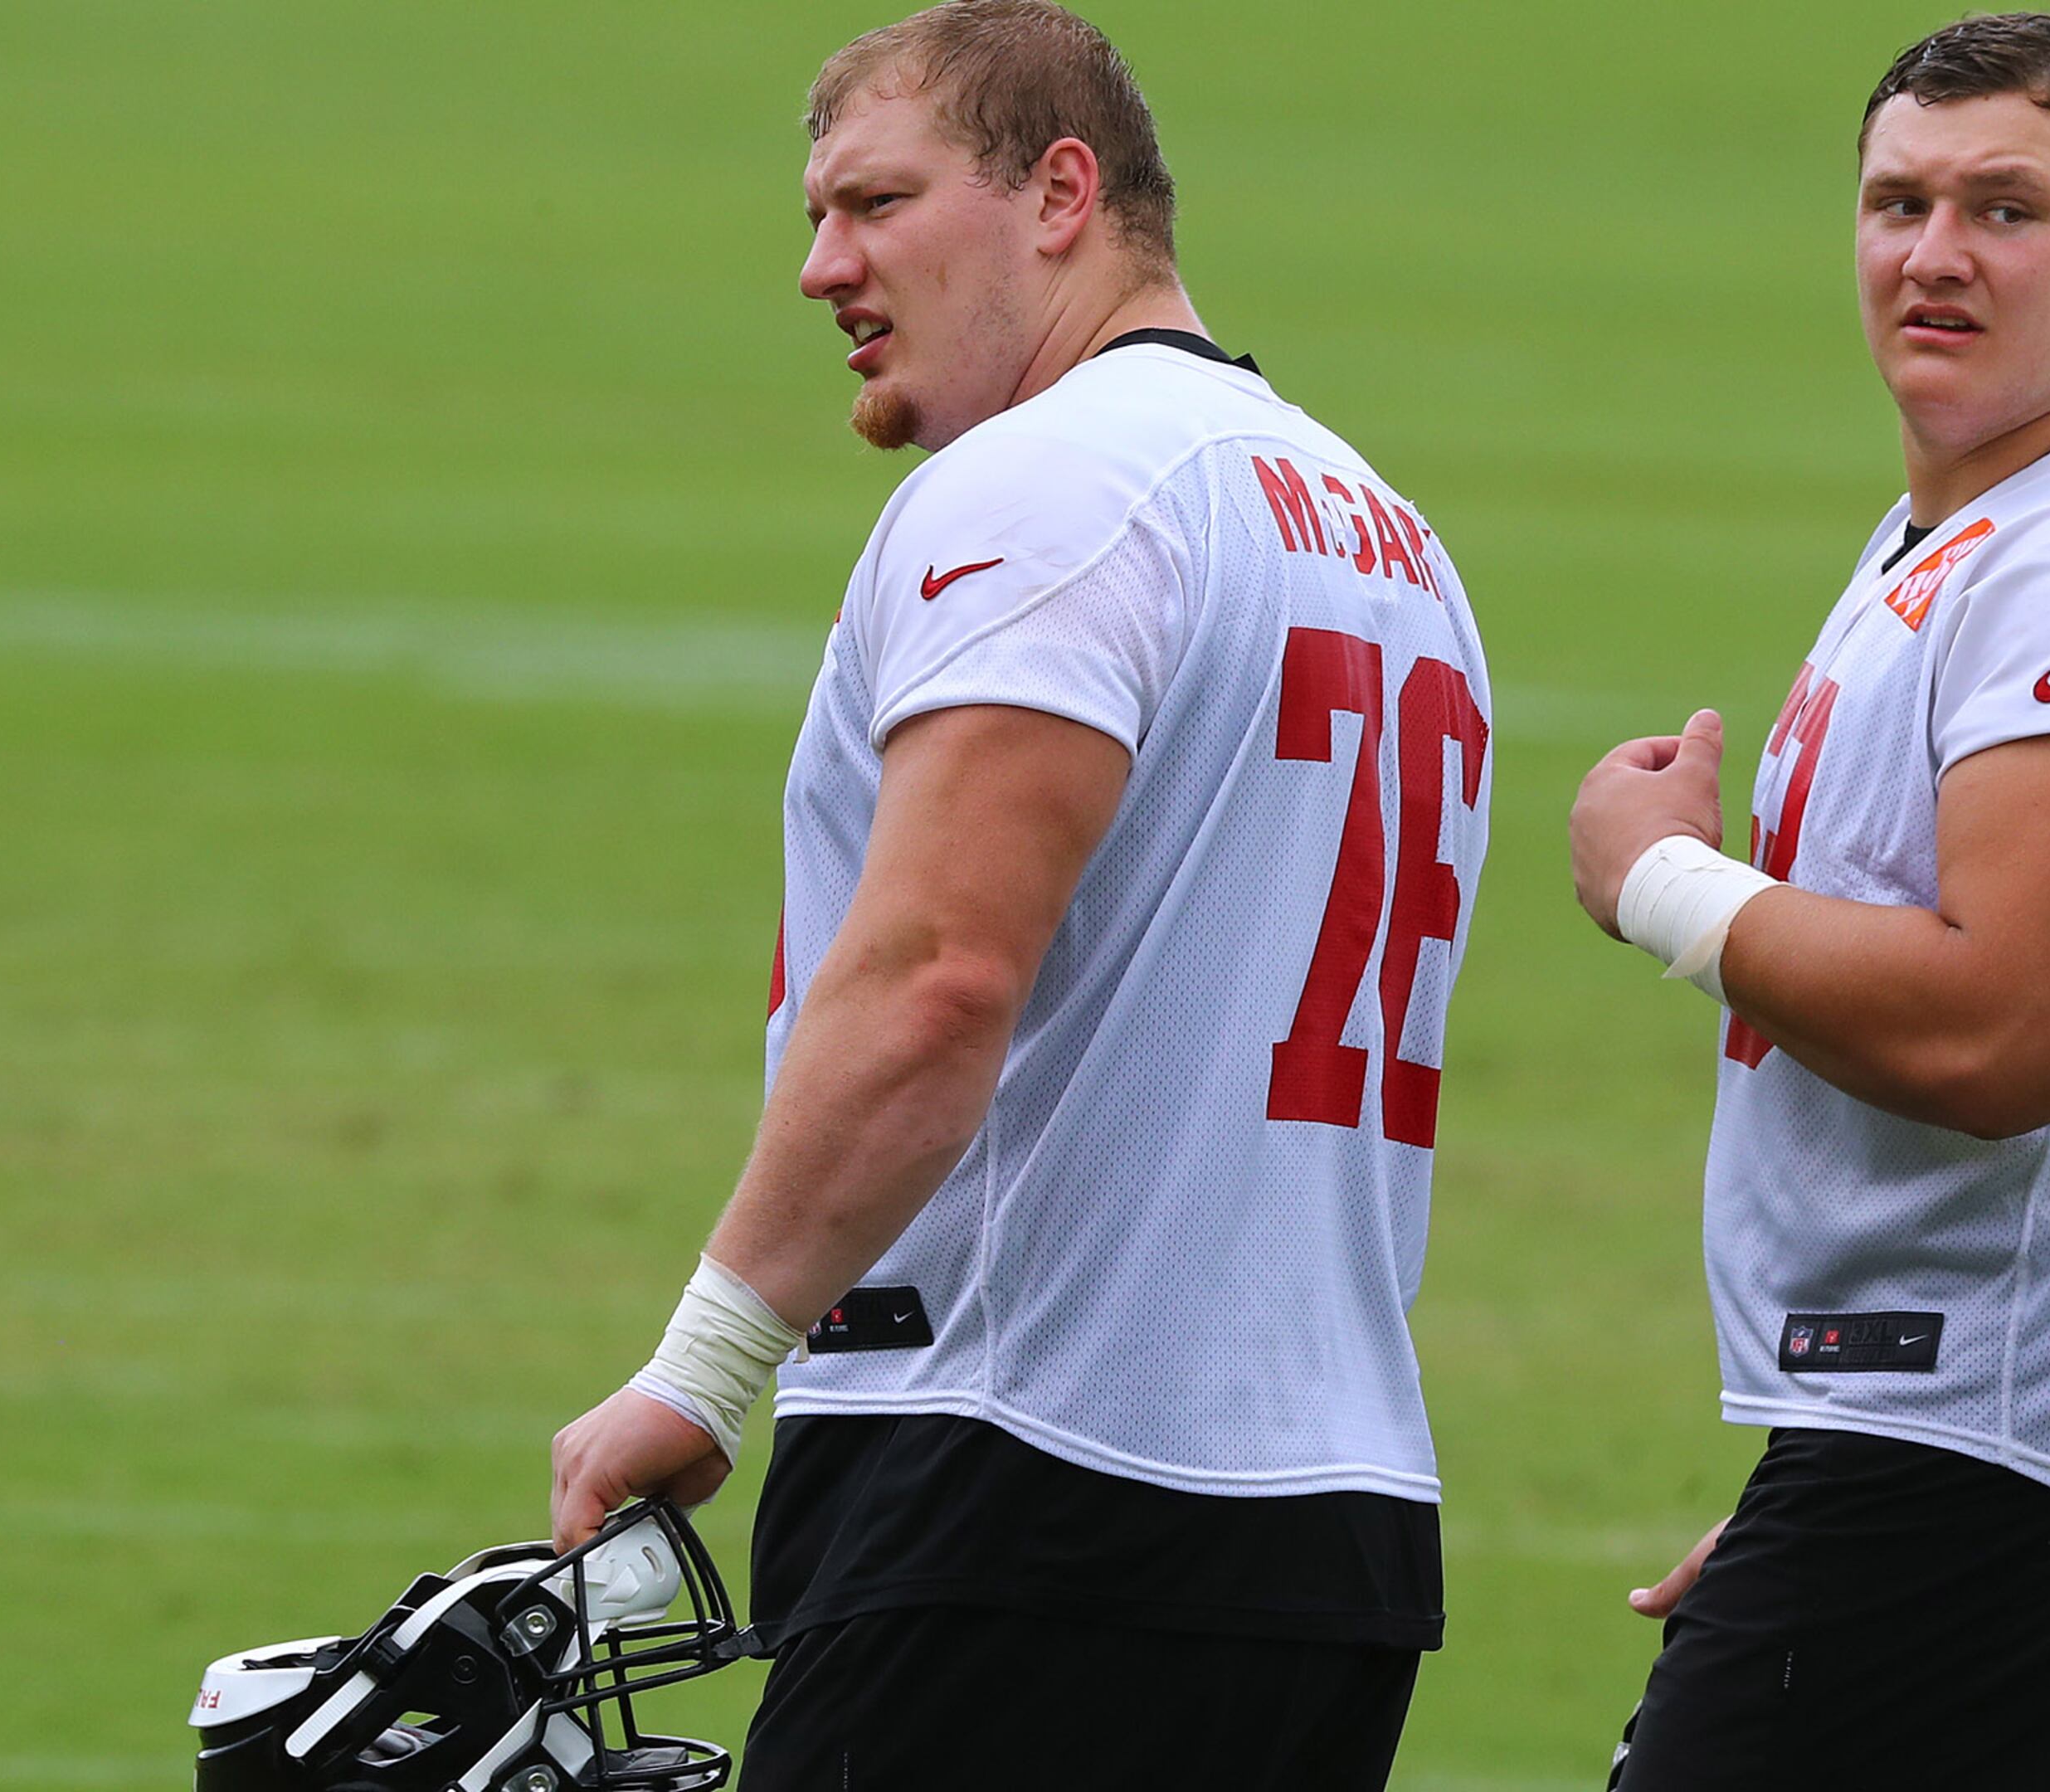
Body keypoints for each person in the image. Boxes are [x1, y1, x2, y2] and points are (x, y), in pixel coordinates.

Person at [545, 4, 1493, 1785]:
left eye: (875, 202)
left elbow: (935, 982)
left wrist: (705, 1366)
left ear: (1062, 192)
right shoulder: (1387, 531)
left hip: (1026, 1481)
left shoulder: (1054, 485)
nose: (822, 264)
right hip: (1329, 1524)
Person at [1567, 14, 2050, 1788]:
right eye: (1897, 202)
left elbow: (2001, 1029)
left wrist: (1665, 884)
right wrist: (1831, 1481)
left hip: (2030, 1451)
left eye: (2004, 210)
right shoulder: (1998, 511)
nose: (1932, 255)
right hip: (1981, 1435)